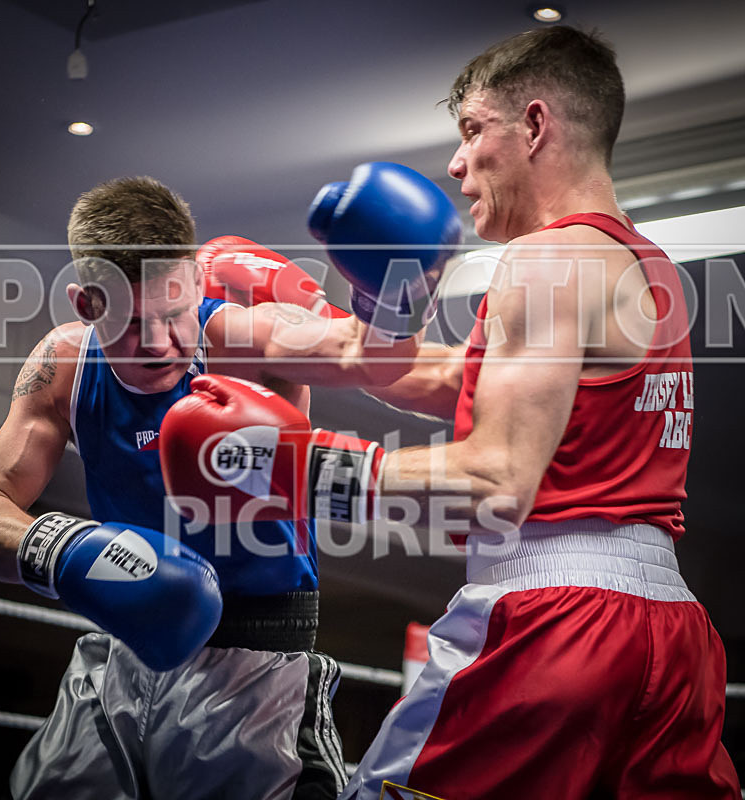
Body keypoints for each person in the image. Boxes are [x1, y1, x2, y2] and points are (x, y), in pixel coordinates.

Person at [160, 27, 741, 799]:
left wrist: (285, 467)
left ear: (535, 125)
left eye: (472, 131)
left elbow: (497, 480)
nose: (457, 164)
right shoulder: (647, 267)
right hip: (671, 638)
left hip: (552, 623)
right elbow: (443, 375)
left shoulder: (544, 259)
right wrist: (325, 329)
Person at [0, 170, 461, 799]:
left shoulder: (242, 339)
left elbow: (373, 357)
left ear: (197, 280)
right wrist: (76, 554)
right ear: (87, 305)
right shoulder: (64, 364)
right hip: (119, 654)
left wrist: (403, 289)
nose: (160, 343)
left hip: (255, 673)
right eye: (133, 323)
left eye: (174, 314)